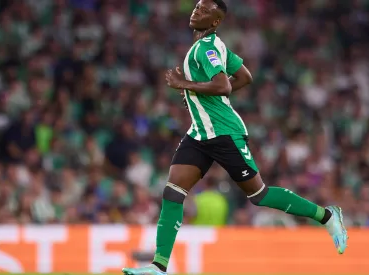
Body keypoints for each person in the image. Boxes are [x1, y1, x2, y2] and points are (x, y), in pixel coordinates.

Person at [122, 1, 348, 274]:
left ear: (215, 22)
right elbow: (244, 76)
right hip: (200, 132)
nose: (197, 11)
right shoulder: (215, 46)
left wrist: (185, 85)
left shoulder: (206, 48)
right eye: (196, 7)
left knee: (258, 195)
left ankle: (326, 216)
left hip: (223, 132)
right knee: (173, 190)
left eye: (205, 11)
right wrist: (198, 94)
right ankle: (159, 266)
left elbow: (223, 84)